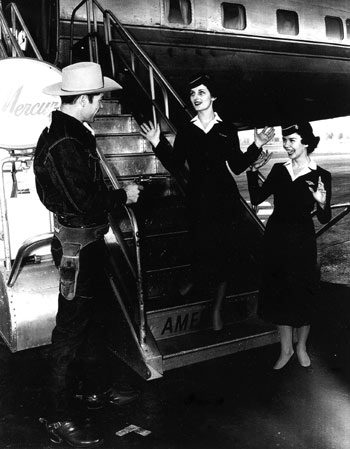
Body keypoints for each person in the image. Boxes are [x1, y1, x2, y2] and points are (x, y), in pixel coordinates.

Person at [34, 62, 142, 447]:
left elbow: (56, 195)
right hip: (78, 248)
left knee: (91, 321)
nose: (99, 106)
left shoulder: (62, 134)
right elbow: (85, 198)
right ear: (82, 99)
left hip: (83, 242)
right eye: (97, 99)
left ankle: (92, 390)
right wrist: (122, 196)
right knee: (70, 331)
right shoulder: (67, 142)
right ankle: (57, 415)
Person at [140, 74, 274, 331]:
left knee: (225, 254)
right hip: (198, 199)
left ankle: (216, 309)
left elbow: (236, 166)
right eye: (192, 94)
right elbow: (176, 165)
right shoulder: (187, 130)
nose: (196, 98)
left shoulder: (226, 129)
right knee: (202, 248)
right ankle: (194, 281)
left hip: (225, 199)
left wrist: (256, 145)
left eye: (202, 92)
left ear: (213, 97)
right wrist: (158, 143)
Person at [247, 122, 332, 370]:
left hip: (302, 240)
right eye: (285, 140)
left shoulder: (320, 175)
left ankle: (301, 346)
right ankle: (285, 349)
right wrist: (252, 170)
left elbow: (324, 217)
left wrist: (321, 203)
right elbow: (256, 198)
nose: (287, 145)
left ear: (306, 142)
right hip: (276, 238)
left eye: (292, 140)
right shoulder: (278, 170)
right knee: (279, 293)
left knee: (302, 293)